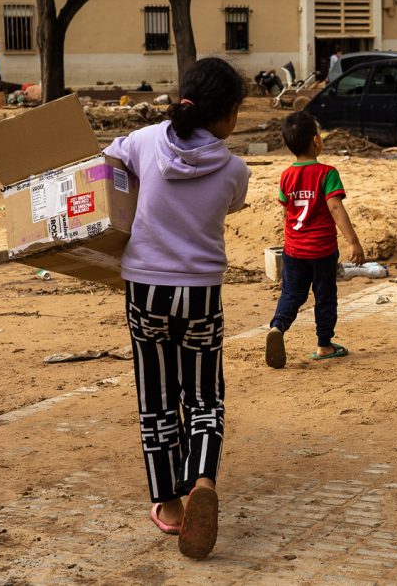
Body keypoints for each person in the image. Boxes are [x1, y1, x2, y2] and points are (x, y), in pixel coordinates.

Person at [102, 57, 251, 560]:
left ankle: (168, 504)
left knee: (157, 395)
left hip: (145, 288)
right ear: (227, 114)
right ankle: (202, 479)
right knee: (205, 394)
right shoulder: (235, 169)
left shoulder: (145, 142)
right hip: (202, 291)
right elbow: (228, 206)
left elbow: (106, 163)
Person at [264, 110, 365, 369]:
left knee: (292, 293)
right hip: (322, 250)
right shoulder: (327, 173)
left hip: (294, 249)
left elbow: (287, 211)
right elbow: (335, 208)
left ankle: (277, 326)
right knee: (325, 296)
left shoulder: (286, 175)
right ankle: (324, 345)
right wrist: (353, 241)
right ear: (316, 141)